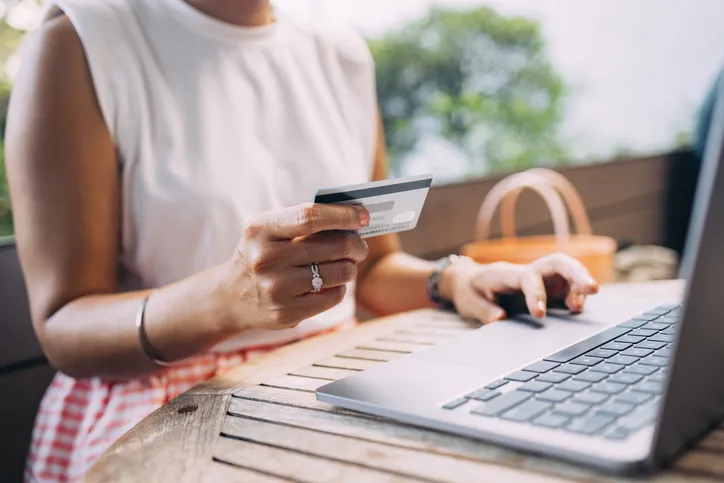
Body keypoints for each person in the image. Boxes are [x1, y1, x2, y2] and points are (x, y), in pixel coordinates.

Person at [5, 0, 599, 480]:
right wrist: (225, 299)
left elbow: (368, 269)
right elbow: (64, 324)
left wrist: (457, 279)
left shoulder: (339, 53)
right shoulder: (83, 38)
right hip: (161, 413)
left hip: (330, 379)